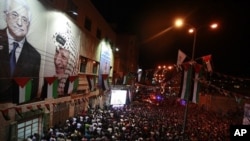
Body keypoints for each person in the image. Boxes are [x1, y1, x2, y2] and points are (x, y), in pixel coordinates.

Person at [0, 0, 41, 103]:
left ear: (28, 25)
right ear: (6, 15)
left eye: (24, 19)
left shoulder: (35, 56)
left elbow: (33, 90)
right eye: (15, 15)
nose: (19, 23)